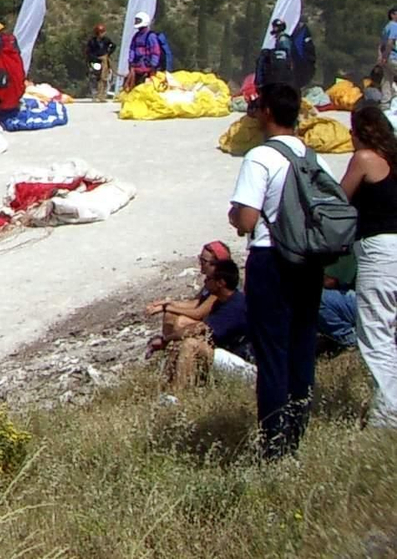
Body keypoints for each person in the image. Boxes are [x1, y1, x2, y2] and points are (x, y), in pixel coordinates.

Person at [229, 82, 323, 458]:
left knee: (271, 354)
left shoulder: (260, 158)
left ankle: (274, 444)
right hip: (309, 260)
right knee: (302, 347)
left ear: (267, 112)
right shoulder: (313, 157)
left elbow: (247, 219)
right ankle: (298, 432)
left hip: (271, 258)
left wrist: (235, 215)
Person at [339, 103, 397, 428]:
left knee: (376, 332)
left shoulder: (364, 159)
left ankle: (388, 415)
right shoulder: (394, 160)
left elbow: (338, 200)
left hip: (379, 249)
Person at [161, 259, 254, 388]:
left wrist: (165, 339)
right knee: (180, 343)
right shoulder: (221, 302)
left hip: (244, 365)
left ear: (221, 283)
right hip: (227, 357)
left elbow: (200, 328)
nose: (205, 282)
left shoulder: (236, 305)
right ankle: (166, 390)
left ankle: (177, 394)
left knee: (190, 344)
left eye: (209, 279)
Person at [126, 12, 163, 91]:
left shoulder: (151, 36)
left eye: (138, 21)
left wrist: (153, 65)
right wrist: (130, 61)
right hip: (137, 67)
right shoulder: (136, 36)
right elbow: (132, 49)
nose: (136, 22)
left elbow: (155, 52)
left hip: (147, 68)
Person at [256, 18, 295, 88]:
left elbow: (284, 56)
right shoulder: (282, 38)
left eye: (275, 27)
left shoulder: (283, 40)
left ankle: (260, 82)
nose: (273, 29)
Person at [85, 24, 115, 102]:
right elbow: (88, 52)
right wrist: (95, 58)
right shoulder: (92, 41)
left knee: (104, 78)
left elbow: (113, 46)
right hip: (95, 61)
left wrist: (108, 54)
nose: (100, 34)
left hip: (104, 61)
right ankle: (95, 94)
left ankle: (102, 95)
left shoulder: (106, 40)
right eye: (99, 32)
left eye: (102, 32)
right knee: (95, 77)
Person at [379, 7, 397, 102]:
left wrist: (381, 57)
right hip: (393, 57)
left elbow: (381, 43)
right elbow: (390, 43)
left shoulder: (386, 27)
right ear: (392, 15)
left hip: (386, 57)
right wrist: (386, 57)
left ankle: (385, 102)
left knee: (387, 80)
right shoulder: (394, 26)